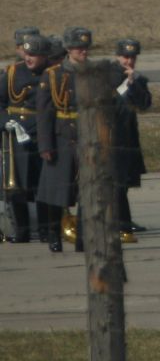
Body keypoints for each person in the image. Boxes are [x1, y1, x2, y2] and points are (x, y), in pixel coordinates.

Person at [35, 28, 91, 249]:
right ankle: (53, 234)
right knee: (57, 192)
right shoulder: (53, 75)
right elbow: (44, 113)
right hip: (62, 138)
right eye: (79, 48)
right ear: (68, 49)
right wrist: (46, 145)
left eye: (85, 48)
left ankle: (83, 238)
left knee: (88, 191)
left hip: (87, 137)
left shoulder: (93, 72)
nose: (83, 52)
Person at [5, 27, 47, 244]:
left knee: (43, 185)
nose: (28, 56)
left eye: (32, 53)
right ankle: (21, 231)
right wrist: (6, 123)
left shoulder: (51, 72)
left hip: (42, 133)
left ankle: (44, 229)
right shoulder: (12, 73)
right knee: (17, 187)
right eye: (25, 51)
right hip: (17, 138)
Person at [109, 38, 151, 233]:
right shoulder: (108, 76)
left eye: (132, 57)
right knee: (116, 181)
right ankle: (121, 221)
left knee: (124, 181)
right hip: (111, 135)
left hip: (128, 135)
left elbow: (144, 104)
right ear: (118, 56)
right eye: (125, 57)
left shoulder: (137, 78)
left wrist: (134, 83)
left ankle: (124, 219)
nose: (129, 61)